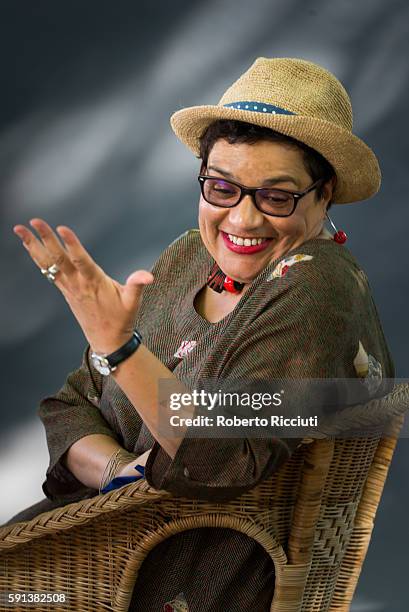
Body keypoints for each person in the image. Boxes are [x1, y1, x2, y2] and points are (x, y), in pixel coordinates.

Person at [5, 57, 394, 611]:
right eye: (222, 188)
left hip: (181, 584)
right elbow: (72, 405)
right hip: (85, 555)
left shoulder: (317, 285)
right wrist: (124, 471)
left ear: (323, 193)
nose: (243, 220)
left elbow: (222, 456)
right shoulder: (189, 256)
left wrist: (120, 348)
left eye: (276, 196)